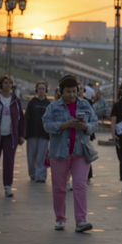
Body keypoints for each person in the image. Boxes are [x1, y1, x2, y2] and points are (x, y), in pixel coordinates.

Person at [42, 75, 99, 232]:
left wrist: (86, 127)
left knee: (80, 185)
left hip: (81, 151)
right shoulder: (53, 107)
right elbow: (46, 125)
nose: (72, 95)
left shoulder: (85, 105)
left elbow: (95, 123)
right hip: (59, 152)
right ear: (61, 92)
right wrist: (64, 125)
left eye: (74, 91)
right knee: (59, 187)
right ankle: (60, 218)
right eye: (68, 91)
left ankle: (81, 220)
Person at [25, 81, 51, 183]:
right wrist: (25, 132)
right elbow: (27, 117)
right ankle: (32, 174)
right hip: (32, 133)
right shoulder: (32, 102)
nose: (41, 91)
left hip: (44, 134)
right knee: (31, 156)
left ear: (46, 91)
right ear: (36, 90)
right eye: (39, 88)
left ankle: (41, 176)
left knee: (42, 156)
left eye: (43, 89)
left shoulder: (48, 104)